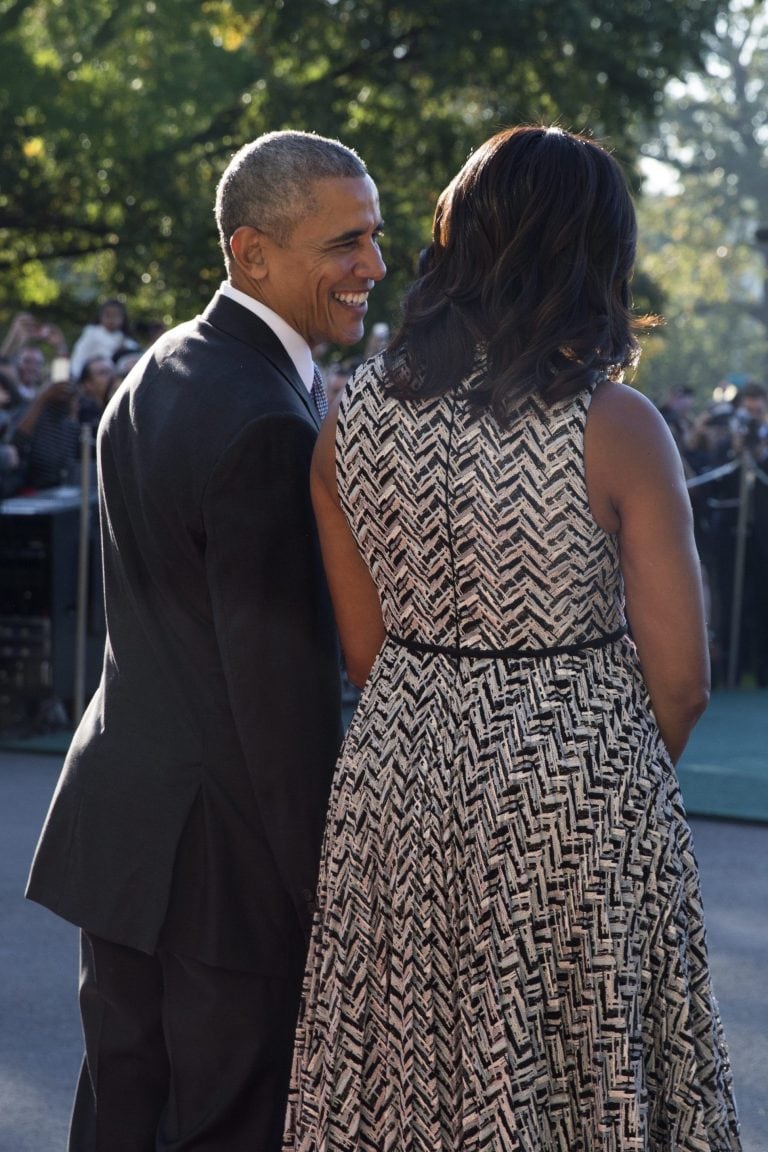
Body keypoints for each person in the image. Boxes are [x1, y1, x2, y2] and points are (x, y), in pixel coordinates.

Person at [284, 126, 741, 1150]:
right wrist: (586, 787)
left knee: (402, 1071)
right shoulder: (613, 424)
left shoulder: (349, 422)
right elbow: (684, 680)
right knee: (580, 1082)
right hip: (573, 785)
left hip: (400, 783)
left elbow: (368, 656)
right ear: (593, 259)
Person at [26, 128, 386, 1152]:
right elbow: (280, 697)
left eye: (375, 237)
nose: (372, 266)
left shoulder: (160, 370)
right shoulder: (265, 419)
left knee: (121, 1115)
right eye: (344, 243)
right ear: (252, 252)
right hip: (227, 867)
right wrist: (328, 889)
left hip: (129, 840)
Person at [68, 297, 140, 381]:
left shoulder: (125, 339)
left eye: (115, 316)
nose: (111, 320)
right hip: (93, 379)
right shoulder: (91, 334)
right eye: (108, 315)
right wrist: (77, 378)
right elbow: (79, 357)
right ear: (101, 316)